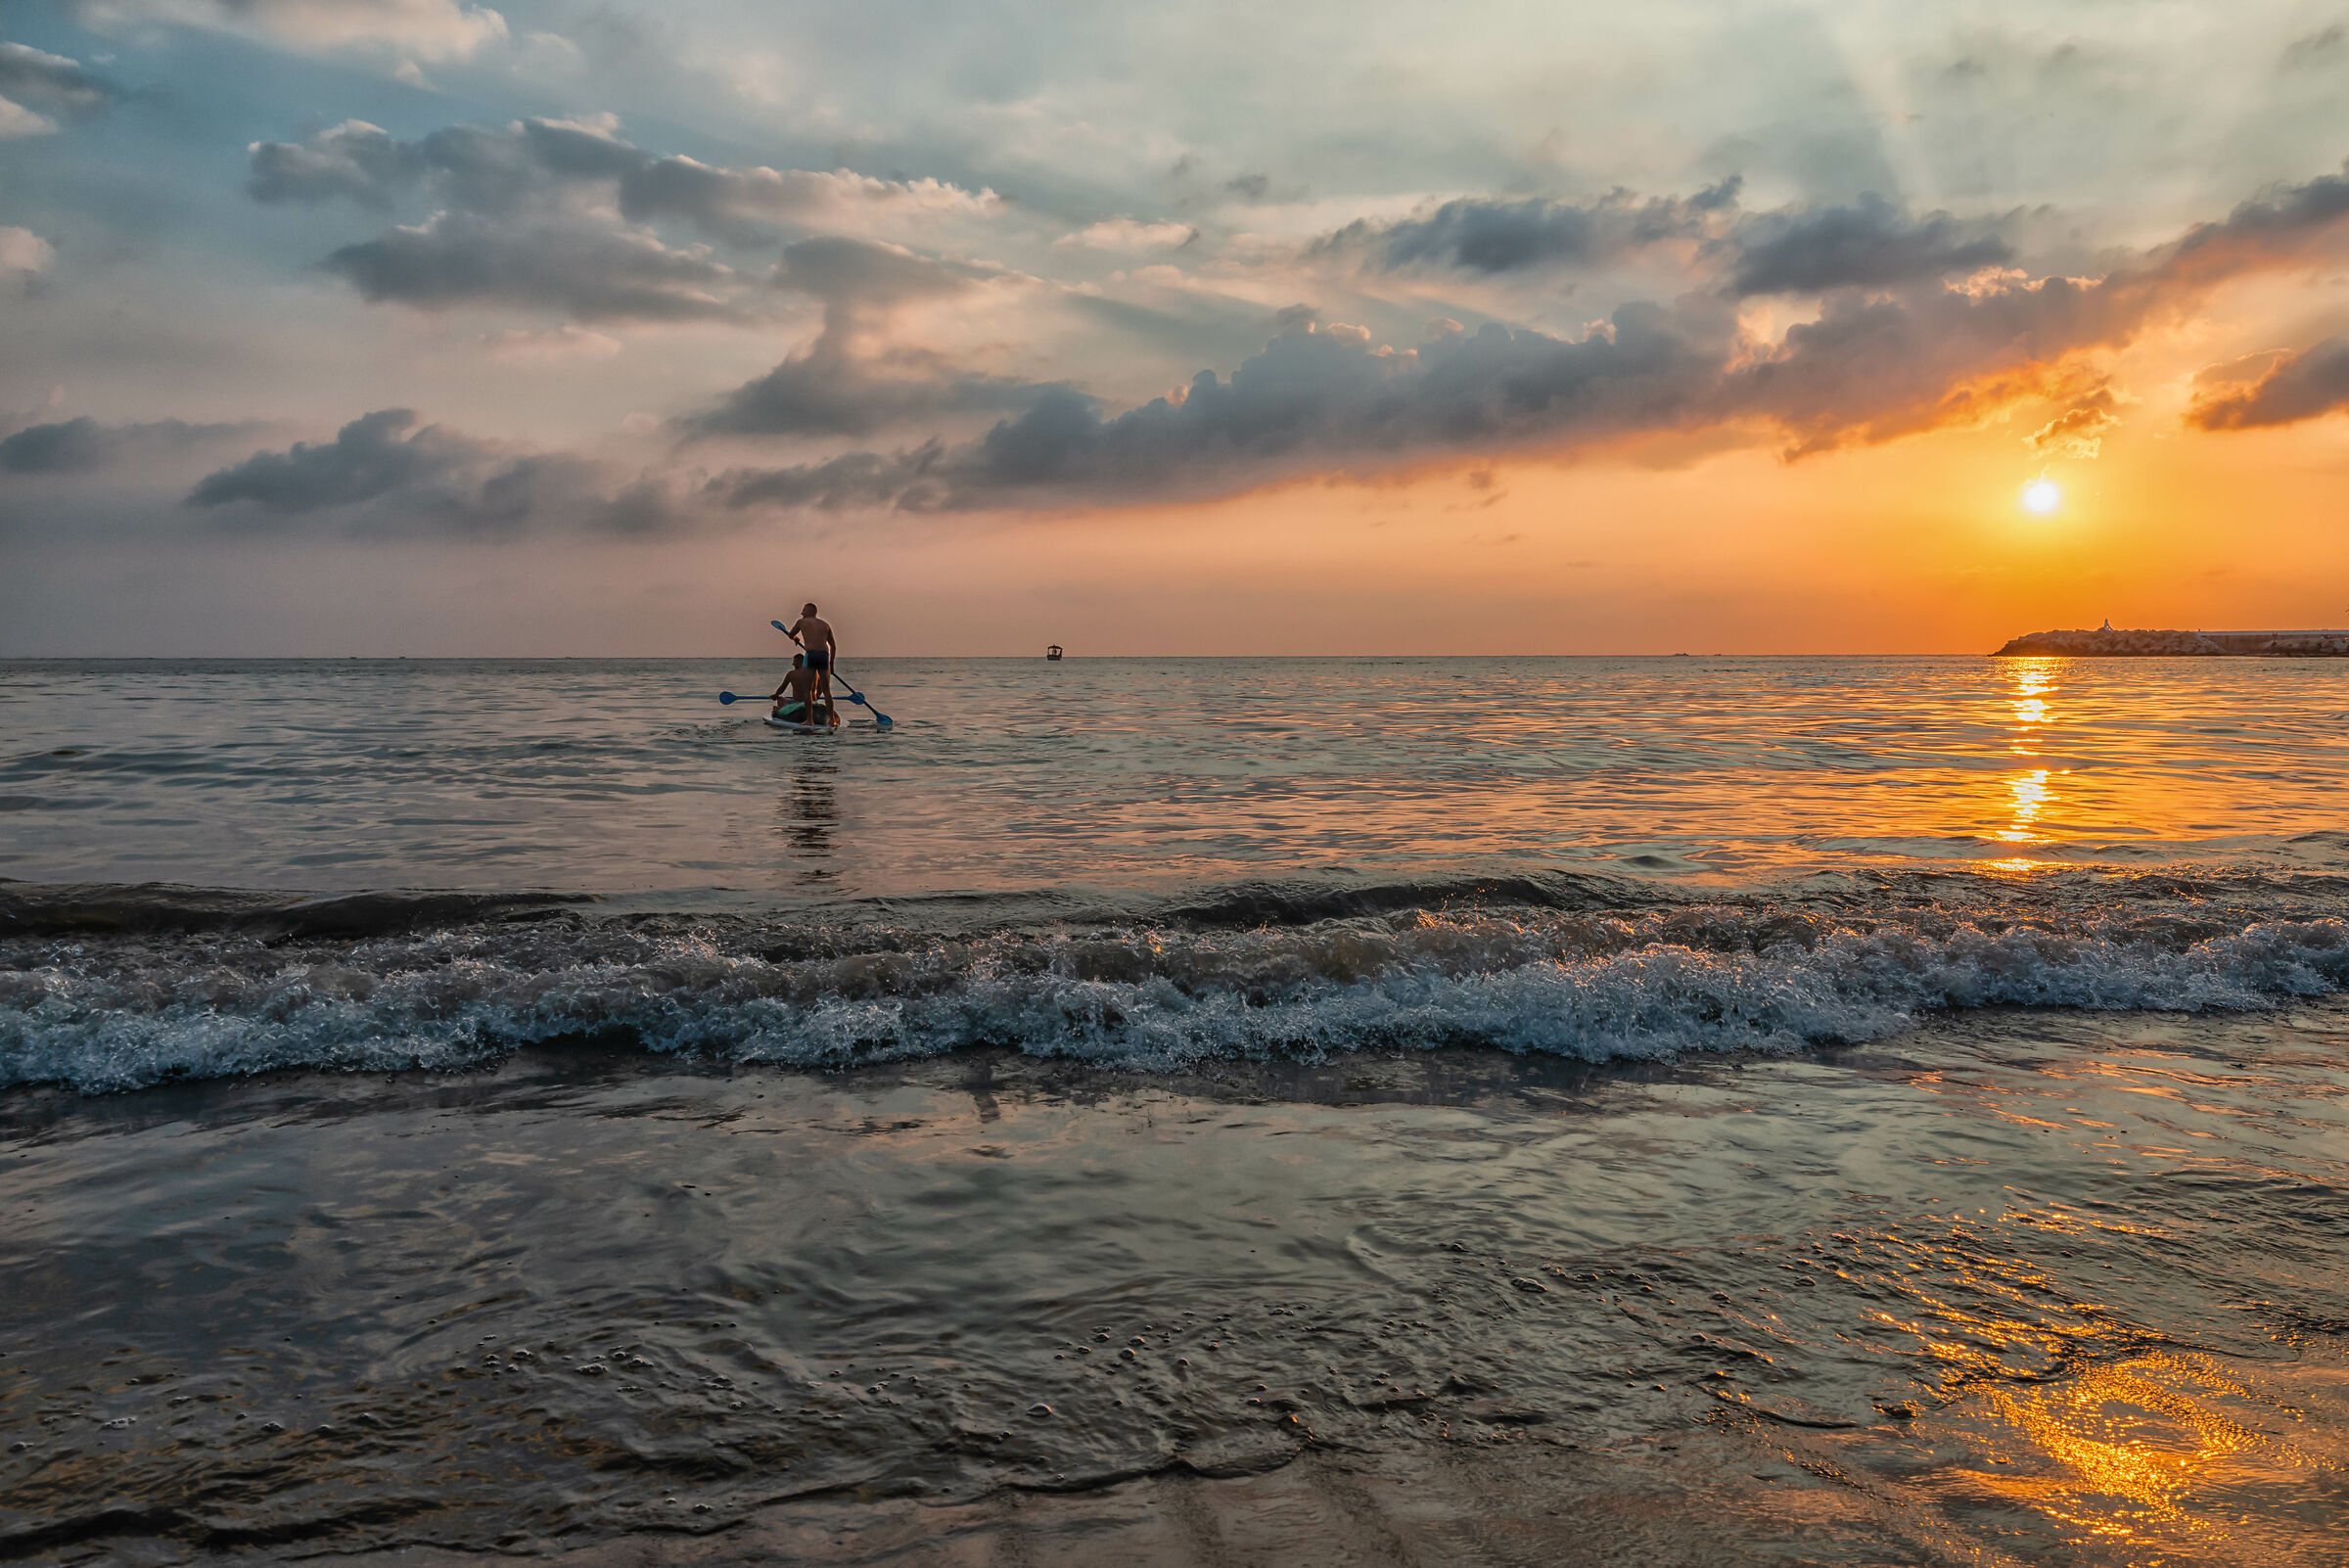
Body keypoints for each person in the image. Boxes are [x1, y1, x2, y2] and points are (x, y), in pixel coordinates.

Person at [786, 603, 837, 710]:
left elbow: (790, 635)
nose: (801, 613)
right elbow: (833, 646)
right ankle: (832, 720)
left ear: (809, 611)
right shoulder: (825, 624)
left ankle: (810, 720)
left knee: (807, 690)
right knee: (827, 691)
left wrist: (795, 638)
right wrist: (831, 665)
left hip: (811, 655)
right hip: (824, 655)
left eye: (803, 610)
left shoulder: (801, 622)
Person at [769, 654, 824, 725]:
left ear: (800, 662)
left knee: (779, 700)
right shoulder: (814, 673)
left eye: (794, 662)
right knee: (781, 699)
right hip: (812, 702)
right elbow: (820, 689)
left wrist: (775, 695)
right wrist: (815, 698)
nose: (793, 664)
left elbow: (782, 689)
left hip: (798, 703)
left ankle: (779, 709)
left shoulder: (792, 674)